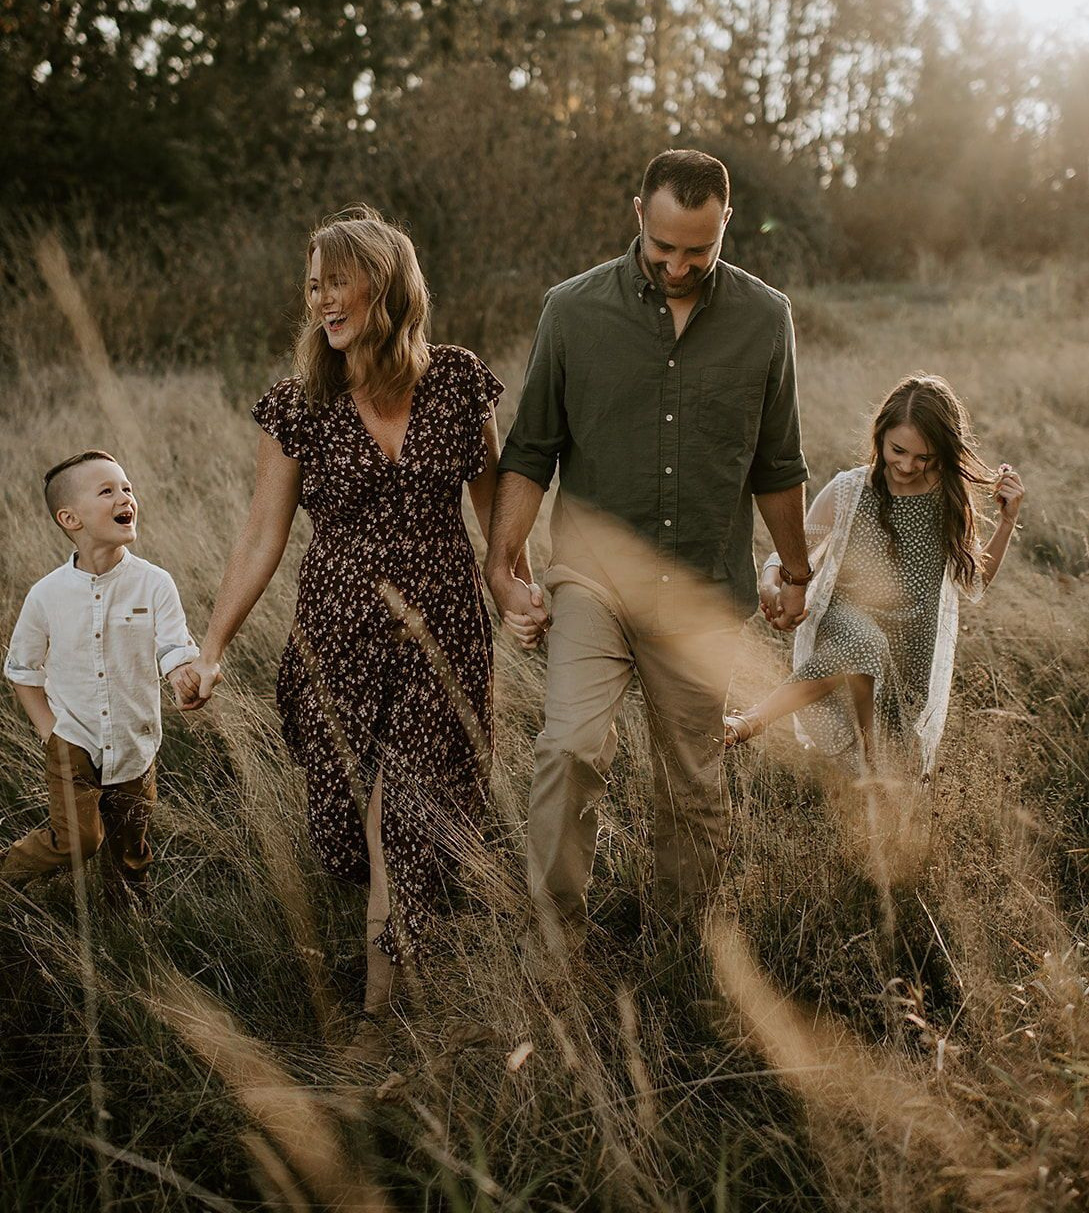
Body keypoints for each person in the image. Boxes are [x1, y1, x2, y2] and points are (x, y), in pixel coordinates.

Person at [176, 207, 518, 1028]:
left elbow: (497, 510)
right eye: (314, 286)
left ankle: (378, 1019)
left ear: (385, 285)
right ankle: (413, 924)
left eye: (338, 282)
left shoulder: (460, 381)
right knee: (345, 831)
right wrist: (212, 645)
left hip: (443, 635)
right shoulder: (300, 406)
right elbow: (262, 533)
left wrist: (516, 589)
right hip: (337, 637)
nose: (322, 301)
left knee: (399, 818)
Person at [485, 149, 812, 963]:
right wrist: (503, 565)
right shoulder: (571, 311)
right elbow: (530, 451)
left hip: (701, 588)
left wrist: (796, 570)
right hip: (592, 580)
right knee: (568, 747)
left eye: (696, 251)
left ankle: (676, 947)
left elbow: (776, 463)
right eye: (663, 246)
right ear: (639, 213)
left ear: (725, 224)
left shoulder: (765, 319)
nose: (676, 265)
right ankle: (555, 947)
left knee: (693, 784)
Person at [723, 374, 1025, 775]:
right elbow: (793, 549)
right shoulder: (848, 490)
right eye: (898, 450)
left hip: (908, 654)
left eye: (923, 458)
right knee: (865, 642)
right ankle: (752, 720)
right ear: (880, 435)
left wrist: (1006, 523)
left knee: (891, 779)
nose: (906, 465)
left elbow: (973, 582)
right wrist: (769, 580)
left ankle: (878, 784)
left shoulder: (948, 502)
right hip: (845, 627)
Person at [2, 451, 199, 905]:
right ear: (70, 518)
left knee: (130, 849)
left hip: (135, 741)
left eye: (127, 488)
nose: (125, 496)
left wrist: (183, 673)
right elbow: (22, 669)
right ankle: (9, 870)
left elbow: (174, 646)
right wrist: (50, 733)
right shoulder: (47, 595)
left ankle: (128, 919)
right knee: (78, 840)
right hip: (73, 740)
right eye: (107, 490)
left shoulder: (154, 583)